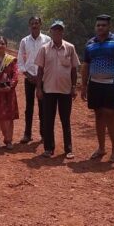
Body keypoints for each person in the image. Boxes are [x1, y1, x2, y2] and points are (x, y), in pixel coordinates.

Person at [81, 14, 114, 163]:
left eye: (103, 25)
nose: (100, 28)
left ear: (109, 26)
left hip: (112, 84)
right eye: (98, 25)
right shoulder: (90, 43)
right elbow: (86, 66)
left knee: (110, 116)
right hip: (95, 84)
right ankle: (101, 148)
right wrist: (84, 86)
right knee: (98, 115)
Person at [35, 20, 80, 159]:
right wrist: (39, 88)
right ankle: (48, 148)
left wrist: (74, 87)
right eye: (55, 30)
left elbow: (74, 69)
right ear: (51, 32)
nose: (57, 32)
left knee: (65, 120)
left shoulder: (70, 48)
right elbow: (40, 70)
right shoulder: (44, 49)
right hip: (48, 90)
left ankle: (68, 149)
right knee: (48, 120)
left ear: (63, 32)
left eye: (60, 30)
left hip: (65, 90)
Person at [17, 16, 51, 143]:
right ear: (29, 25)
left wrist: (42, 76)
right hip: (30, 78)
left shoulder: (47, 40)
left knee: (43, 107)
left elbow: (50, 59)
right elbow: (20, 60)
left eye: (36, 23)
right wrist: (27, 74)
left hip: (43, 79)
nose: (34, 25)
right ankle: (27, 134)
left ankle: (44, 134)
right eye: (32, 23)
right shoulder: (24, 41)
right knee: (29, 107)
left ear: (40, 24)